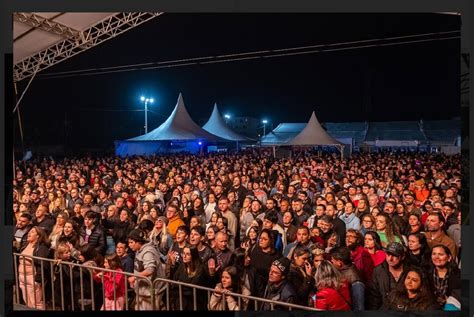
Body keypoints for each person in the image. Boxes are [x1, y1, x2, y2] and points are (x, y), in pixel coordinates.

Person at [127, 229, 164, 310]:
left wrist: (134, 277)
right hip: (143, 288)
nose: (129, 245)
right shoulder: (139, 249)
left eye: (131, 242)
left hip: (152, 290)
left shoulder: (148, 252)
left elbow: (150, 269)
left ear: (139, 242)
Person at [367, 242, 409, 310]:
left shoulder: (412, 271)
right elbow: (374, 298)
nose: (390, 258)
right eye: (388, 254)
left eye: (394, 255)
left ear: (403, 257)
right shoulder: (378, 271)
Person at [18, 226, 49, 310]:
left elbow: (43, 264)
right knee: (27, 302)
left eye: (32, 232)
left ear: (38, 235)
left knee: (36, 303)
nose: (29, 233)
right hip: (22, 278)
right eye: (29, 231)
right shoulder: (26, 244)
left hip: (33, 278)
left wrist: (37, 279)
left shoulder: (42, 247)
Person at [171, 246, 207, 310]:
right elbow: (174, 282)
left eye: (187, 254)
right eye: (183, 253)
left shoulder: (200, 269)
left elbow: (192, 289)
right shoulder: (182, 266)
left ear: (193, 255)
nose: (184, 256)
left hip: (195, 302)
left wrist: (180, 285)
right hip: (181, 301)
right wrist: (182, 285)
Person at [249, 228, 282, 297]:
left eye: (264, 239)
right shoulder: (255, 250)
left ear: (270, 241)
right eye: (260, 238)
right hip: (253, 286)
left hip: (266, 289)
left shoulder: (277, 256)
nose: (261, 240)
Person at [430, 244, 461, 309]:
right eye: (434, 254)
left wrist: (447, 301)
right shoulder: (426, 272)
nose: (436, 257)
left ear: (449, 258)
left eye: (440, 254)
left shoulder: (458, 275)